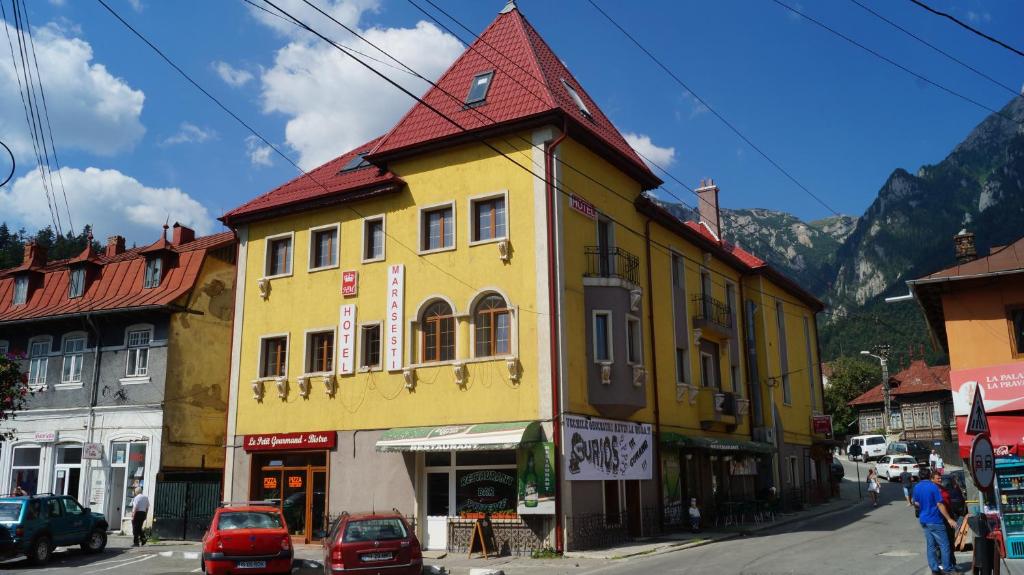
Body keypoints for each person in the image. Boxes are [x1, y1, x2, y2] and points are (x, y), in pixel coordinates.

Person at [912, 468, 959, 574]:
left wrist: (924, 506)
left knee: (931, 545)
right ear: (929, 476)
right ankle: (947, 568)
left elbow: (915, 502)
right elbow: (940, 504)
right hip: (935, 520)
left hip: (924, 520)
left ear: (920, 476)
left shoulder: (917, 487)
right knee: (945, 545)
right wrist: (949, 519)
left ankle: (935, 569)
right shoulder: (933, 487)